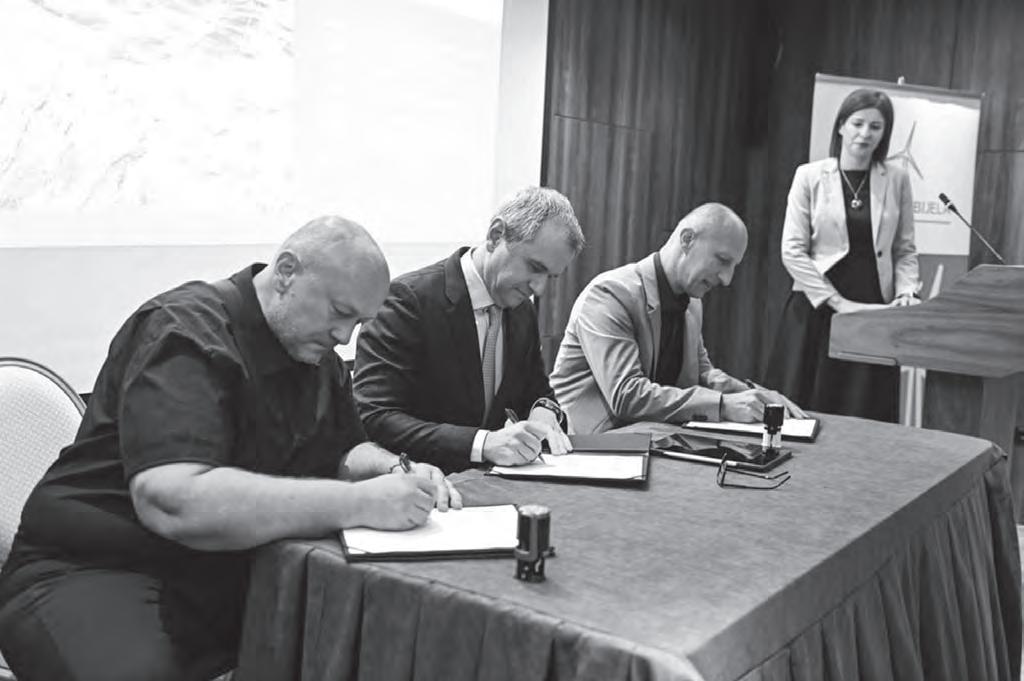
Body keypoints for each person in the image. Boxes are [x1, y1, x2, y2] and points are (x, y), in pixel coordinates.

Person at [0, 216, 461, 681]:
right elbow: (175, 500)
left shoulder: (313, 354)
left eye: (358, 323)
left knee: (377, 644)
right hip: (98, 567)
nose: (345, 337)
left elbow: (343, 451)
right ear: (286, 272)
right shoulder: (185, 332)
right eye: (339, 313)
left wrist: (391, 468)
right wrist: (361, 502)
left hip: (223, 574)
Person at [353, 186, 585, 473]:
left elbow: (537, 391)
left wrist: (544, 411)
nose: (539, 288)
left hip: (492, 484)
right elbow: (375, 416)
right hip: (419, 482)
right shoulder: (407, 300)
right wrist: (482, 443)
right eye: (534, 267)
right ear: (496, 235)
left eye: (550, 276)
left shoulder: (521, 310)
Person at [550, 203, 805, 434]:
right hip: (589, 449)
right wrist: (723, 405)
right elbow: (626, 396)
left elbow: (704, 374)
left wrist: (754, 395)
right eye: (723, 260)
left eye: (733, 267)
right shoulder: (610, 294)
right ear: (687, 239)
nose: (727, 279)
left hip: (650, 441)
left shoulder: (693, 303)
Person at [766, 88, 920, 423]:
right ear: (841, 126)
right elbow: (792, 250)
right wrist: (836, 301)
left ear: (885, 133)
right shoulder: (809, 175)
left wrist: (907, 292)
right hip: (817, 305)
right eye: (857, 123)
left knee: (866, 410)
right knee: (805, 408)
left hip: (872, 308)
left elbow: (904, 249)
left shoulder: (897, 179)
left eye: (875, 127)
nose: (865, 133)